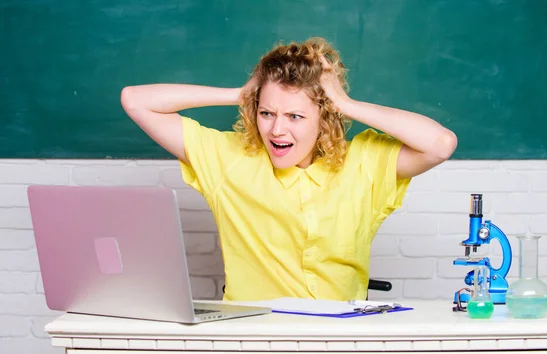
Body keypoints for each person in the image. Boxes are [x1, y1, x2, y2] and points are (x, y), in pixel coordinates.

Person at [120, 37, 457, 302]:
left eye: (295, 117)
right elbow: (135, 100)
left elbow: (440, 143)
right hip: (251, 337)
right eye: (267, 113)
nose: (277, 130)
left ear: (324, 120)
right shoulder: (229, 160)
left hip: (337, 339)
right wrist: (242, 93)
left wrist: (346, 104)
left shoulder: (364, 164)